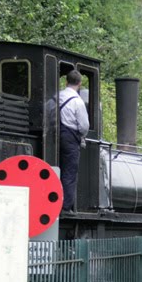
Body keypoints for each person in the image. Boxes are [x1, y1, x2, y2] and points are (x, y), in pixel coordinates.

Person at [58, 69, 89, 212]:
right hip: (70, 137)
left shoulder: (57, 96)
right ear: (80, 84)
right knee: (69, 172)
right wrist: (82, 136)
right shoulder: (78, 102)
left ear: (66, 81)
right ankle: (65, 207)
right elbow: (84, 126)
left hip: (55, 135)